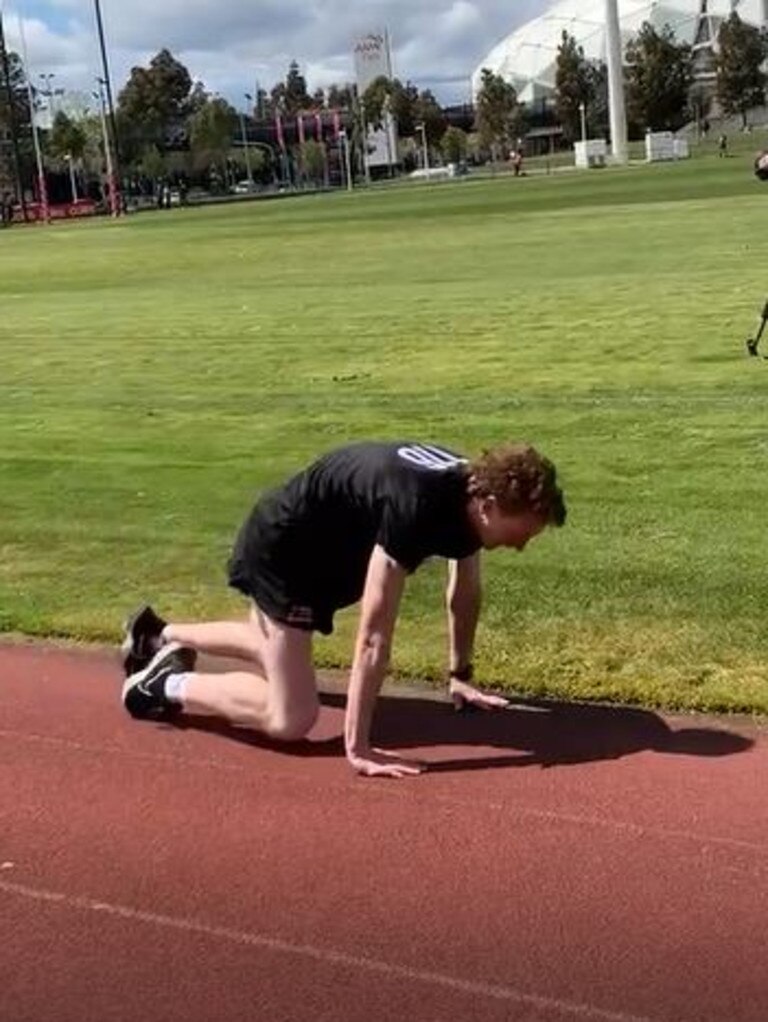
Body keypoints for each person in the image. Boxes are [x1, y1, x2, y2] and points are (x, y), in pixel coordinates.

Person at [121, 440, 567, 778]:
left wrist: (460, 675)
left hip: (330, 552)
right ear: (488, 507)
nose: (522, 546)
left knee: (273, 645)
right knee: (292, 717)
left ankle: (157, 636)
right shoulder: (418, 506)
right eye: (521, 533)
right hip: (286, 553)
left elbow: (464, 591)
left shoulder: (473, 496)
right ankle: (162, 684)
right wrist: (358, 746)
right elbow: (373, 636)